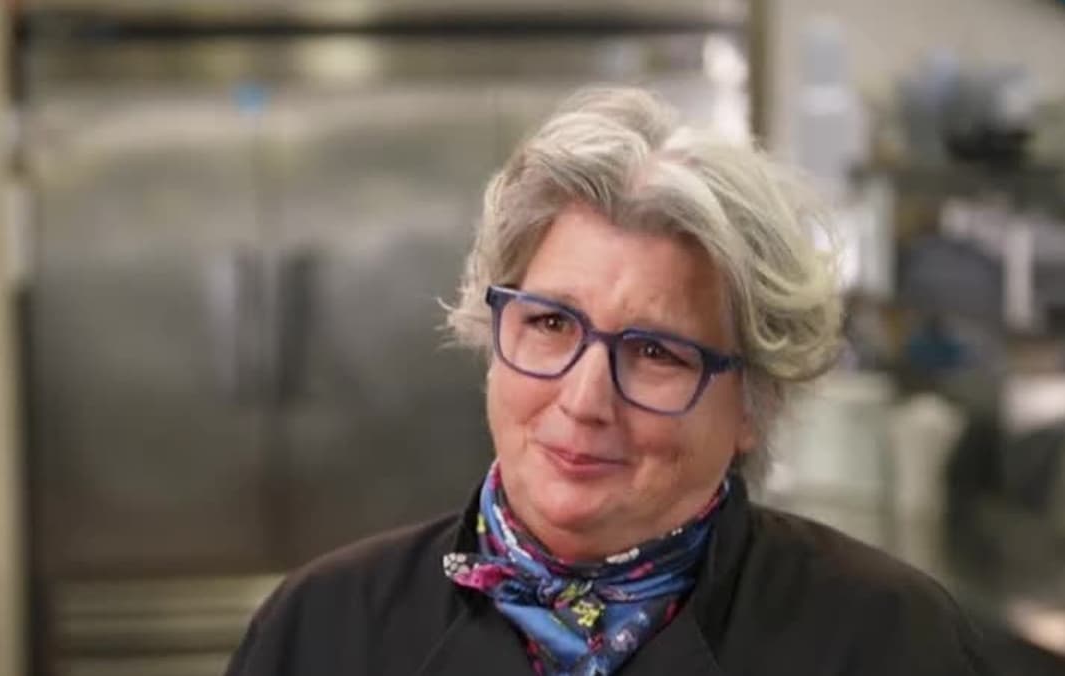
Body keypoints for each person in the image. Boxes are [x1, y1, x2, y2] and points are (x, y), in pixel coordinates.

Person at [225, 87, 990, 676]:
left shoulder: (888, 640)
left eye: (655, 351)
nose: (585, 399)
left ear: (752, 403)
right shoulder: (323, 629)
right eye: (551, 323)